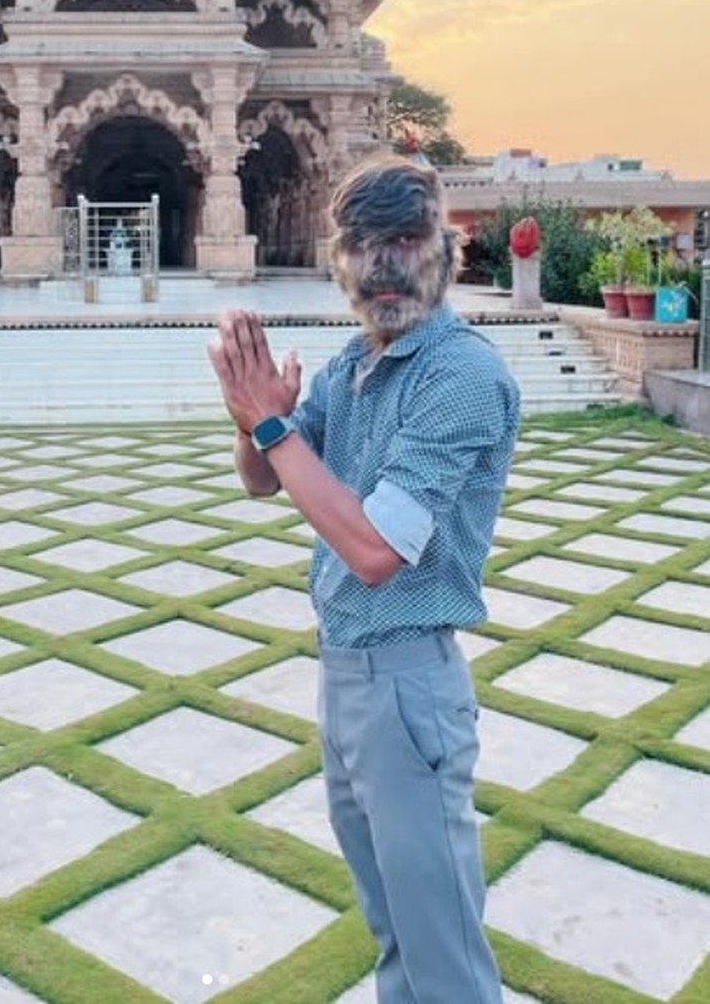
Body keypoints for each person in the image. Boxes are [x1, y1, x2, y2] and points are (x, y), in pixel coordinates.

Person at [208, 155, 520, 1004]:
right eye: (366, 243)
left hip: (409, 681)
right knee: (393, 929)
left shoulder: (460, 374)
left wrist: (271, 423)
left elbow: (376, 551)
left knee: (442, 951)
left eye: (407, 240)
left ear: (445, 254)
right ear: (338, 260)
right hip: (345, 677)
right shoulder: (352, 364)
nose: (387, 265)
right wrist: (253, 418)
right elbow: (266, 475)